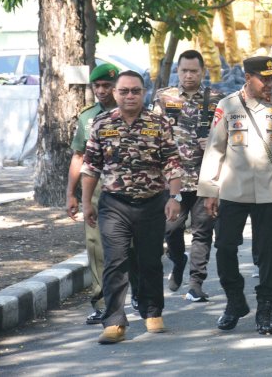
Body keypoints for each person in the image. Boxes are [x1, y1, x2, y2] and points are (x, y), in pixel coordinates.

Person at [197, 56, 272, 333]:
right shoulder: (228, 106)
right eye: (265, 78)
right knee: (224, 248)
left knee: (269, 253)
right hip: (234, 191)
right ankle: (235, 300)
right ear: (249, 78)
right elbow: (215, 149)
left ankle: (266, 308)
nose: (270, 84)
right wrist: (209, 190)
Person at [81, 70, 184, 344]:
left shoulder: (158, 123)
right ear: (115, 93)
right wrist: (85, 203)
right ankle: (114, 321)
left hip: (152, 204)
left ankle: (152, 312)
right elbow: (91, 166)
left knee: (149, 260)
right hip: (114, 205)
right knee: (116, 262)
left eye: (135, 91)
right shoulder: (101, 123)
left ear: (143, 92)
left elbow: (172, 162)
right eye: (124, 91)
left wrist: (174, 198)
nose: (129, 96)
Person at [151, 50, 224, 302]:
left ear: (202, 72)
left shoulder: (216, 100)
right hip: (175, 180)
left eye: (194, 71)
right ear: (178, 71)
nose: (189, 75)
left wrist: (214, 143)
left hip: (206, 179)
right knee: (171, 230)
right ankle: (177, 259)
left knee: (203, 232)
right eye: (184, 70)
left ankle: (196, 283)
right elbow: (153, 134)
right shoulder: (164, 98)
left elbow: (230, 138)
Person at [66, 64, 120, 324]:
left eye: (106, 86)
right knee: (96, 247)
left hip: (130, 190)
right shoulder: (88, 117)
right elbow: (78, 155)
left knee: (130, 248)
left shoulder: (134, 111)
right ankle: (102, 302)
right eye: (96, 86)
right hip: (95, 190)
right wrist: (71, 194)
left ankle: (138, 296)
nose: (101, 90)